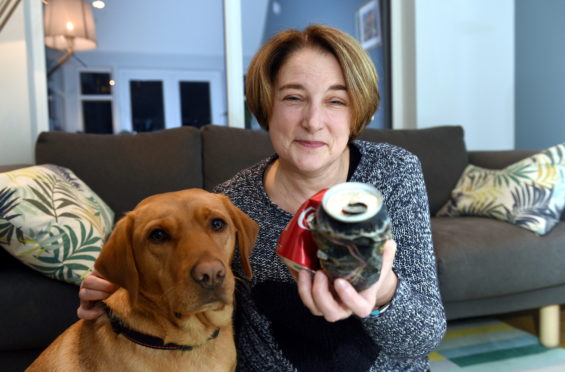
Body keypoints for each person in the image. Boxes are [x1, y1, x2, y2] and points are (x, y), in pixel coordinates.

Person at [78, 25, 446, 371]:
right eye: (293, 97)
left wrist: (382, 291)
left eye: (336, 100)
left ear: (356, 110)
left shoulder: (394, 173)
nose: (313, 121)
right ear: (267, 105)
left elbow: (423, 337)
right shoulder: (228, 207)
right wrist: (134, 286)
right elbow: (201, 306)